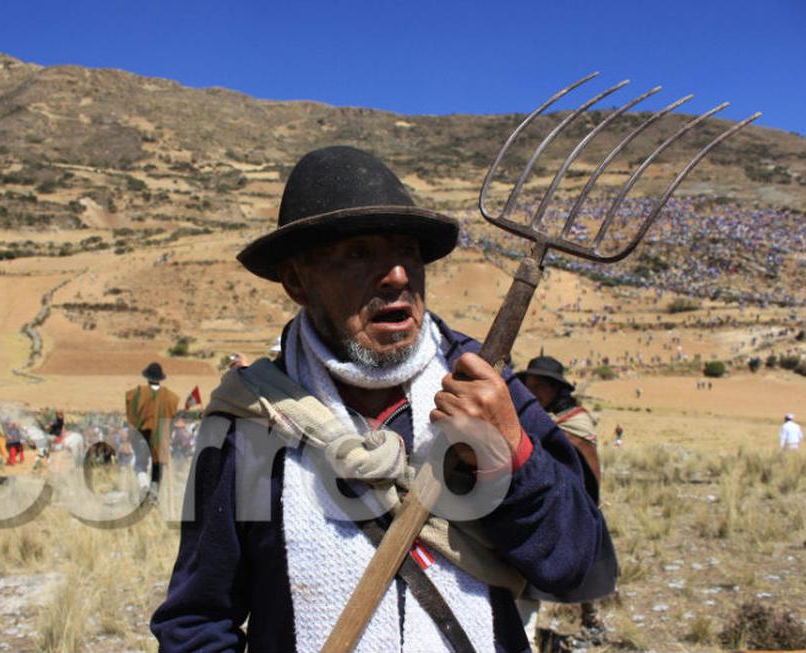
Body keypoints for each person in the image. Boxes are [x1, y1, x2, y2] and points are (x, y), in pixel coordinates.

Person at [151, 146, 613, 652]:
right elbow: (197, 622)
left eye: (408, 252)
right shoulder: (250, 421)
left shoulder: (489, 391)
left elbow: (581, 570)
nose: (397, 275)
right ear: (296, 281)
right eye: (358, 253)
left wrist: (511, 456)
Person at [517, 355, 605, 640]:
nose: (532, 392)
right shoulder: (536, 418)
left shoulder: (575, 423)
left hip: (574, 505)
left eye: (539, 386)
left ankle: (591, 619)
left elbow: (582, 470)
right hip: (540, 504)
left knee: (585, 565)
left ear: (555, 389)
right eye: (528, 385)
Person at [125, 362, 179, 499]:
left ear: (147, 377)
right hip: (161, 440)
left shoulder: (137, 394)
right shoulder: (171, 398)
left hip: (143, 438)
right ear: (160, 378)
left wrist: (130, 438)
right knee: (157, 469)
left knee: (140, 465)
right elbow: (171, 421)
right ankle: (153, 497)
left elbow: (132, 419)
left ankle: (144, 485)